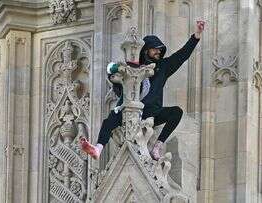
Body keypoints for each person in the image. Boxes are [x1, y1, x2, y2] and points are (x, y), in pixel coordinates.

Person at [81, 20, 205, 160]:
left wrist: (196, 36)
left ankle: (157, 147)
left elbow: (181, 55)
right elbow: (113, 74)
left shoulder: (162, 67)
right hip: (129, 108)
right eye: (155, 49)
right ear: (146, 50)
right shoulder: (132, 67)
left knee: (176, 112)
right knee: (109, 121)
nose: (159, 51)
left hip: (151, 111)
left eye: (160, 49)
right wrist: (113, 73)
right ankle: (98, 148)